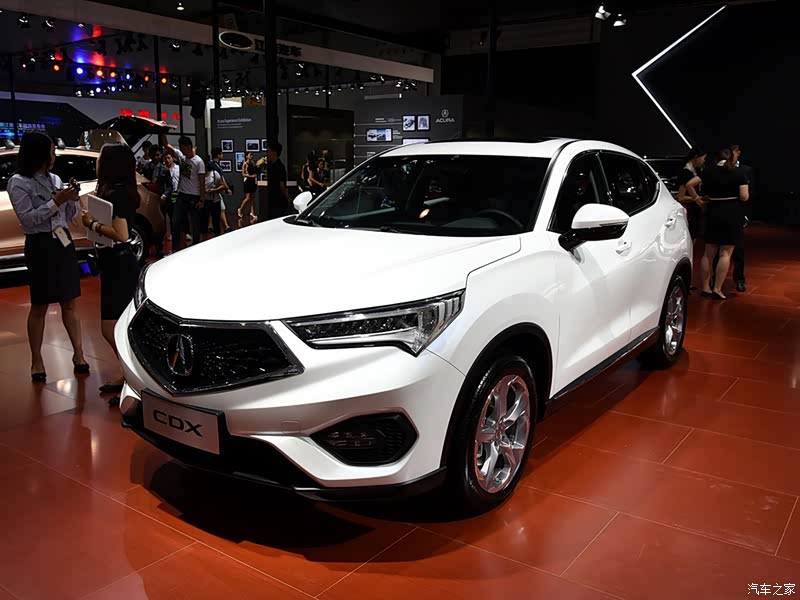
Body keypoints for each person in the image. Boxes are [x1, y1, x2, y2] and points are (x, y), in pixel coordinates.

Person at [7, 131, 89, 381]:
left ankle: (79, 354)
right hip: (40, 245)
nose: (54, 157)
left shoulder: (55, 179)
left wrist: (72, 198)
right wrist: (56, 202)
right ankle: (37, 360)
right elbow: (28, 219)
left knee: (70, 301)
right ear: (39, 154)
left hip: (63, 242)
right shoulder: (18, 182)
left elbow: (69, 216)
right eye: (51, 152)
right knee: (39, 304)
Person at [80, 144, 140, 403]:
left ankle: (134, 378)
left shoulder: (118, 195)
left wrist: (92, 224)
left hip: (119, 265)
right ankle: (129, 376)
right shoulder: (117, 191)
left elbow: (122, 235)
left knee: (112, 327)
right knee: (115, 326)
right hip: (115, 263)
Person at [697, 147, 749, 300]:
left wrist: (698, 200)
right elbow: (744, 196)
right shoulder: (739, 173)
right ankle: (717, 289)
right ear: (731, 157)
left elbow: (689, 184)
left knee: (708, 253)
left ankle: (705, 288)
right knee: (725, 253)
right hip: (731, 214)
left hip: (713, 212)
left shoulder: (708, 171)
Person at [711, 143, 752, 292]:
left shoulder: (745, 170)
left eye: (734, 153)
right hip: (725, 213)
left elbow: (748, 194)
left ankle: (739, 279)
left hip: (736, 213)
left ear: (738, 153)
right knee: (718, 250)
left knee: (738, 250)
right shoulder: (719, 170)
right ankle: (716, 281)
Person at [160, 134, 205, 251]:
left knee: (194, 223)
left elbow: (202, 181)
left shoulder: (199, 162)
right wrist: (163, 132)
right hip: (182, 195)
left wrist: (202, 199)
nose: (182, 150)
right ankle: (175, 248)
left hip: (194, 196)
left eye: (183, 148)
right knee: (175, 221)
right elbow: (166, 145)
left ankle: (196, 246)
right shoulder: (181, 156)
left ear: (189, 146)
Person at [676, 147, 707, 289]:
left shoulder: (694, 172)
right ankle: (687, 281)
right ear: (696, 157)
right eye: (703, 158)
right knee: (688, 247)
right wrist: (698, 199)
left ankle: (688, 280)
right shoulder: (686, 173)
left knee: (691, 246)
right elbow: (681, 196)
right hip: (689, 212)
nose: (704, 161)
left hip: (694, 212)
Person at [266, 141, 289, 218]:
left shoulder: (279, 167)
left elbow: (281, 185)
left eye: (268, 151)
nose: (267, 154)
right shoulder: (271, 165)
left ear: (274, 152)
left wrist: (287, 197)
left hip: (277, 200)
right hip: (272, 200)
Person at [238, 152, 258, 221]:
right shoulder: (245, 164)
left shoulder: (252, 163)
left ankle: (252, 212)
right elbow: (243, 174)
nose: (251, 156)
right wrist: (251, 176)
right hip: (248, 181)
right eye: (250, 155)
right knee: (248, 197)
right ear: (246, 156)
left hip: (253, 181)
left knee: (252, 198)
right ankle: (240, 209)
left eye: (252, 155)